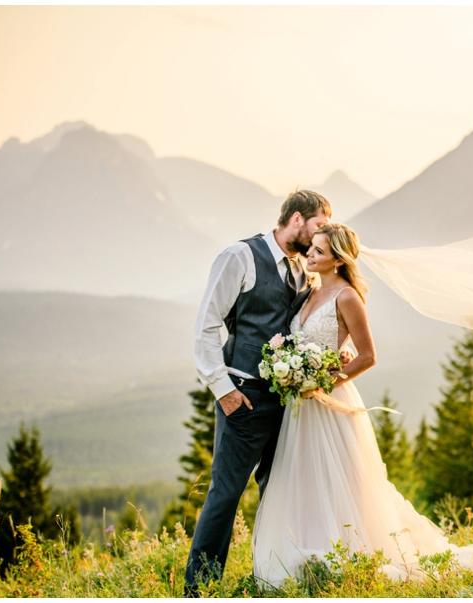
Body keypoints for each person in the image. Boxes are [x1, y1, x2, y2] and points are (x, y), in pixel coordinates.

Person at [251, 222, 473, 589]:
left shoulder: (347, 297)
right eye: (311, 248)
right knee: (304, 477)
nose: (310, 255)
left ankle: (351, 553)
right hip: (301, 408)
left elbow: (367, 356)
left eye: (318, 251)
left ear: (338, 259)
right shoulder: (310, 292)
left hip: (331, 402)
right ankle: (308, 552)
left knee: (342, 479)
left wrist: (321, 382)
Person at [185, 190, 331, 596]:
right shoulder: (239, 257)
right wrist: (224, 391)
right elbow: (207, 326)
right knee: (226, 494)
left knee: (279, 492)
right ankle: (199, 589)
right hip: (243, 398)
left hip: (288, 403)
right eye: (319, 227)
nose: (324, 237)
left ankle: (273, 580)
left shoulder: (306, 269)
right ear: (297, 219)